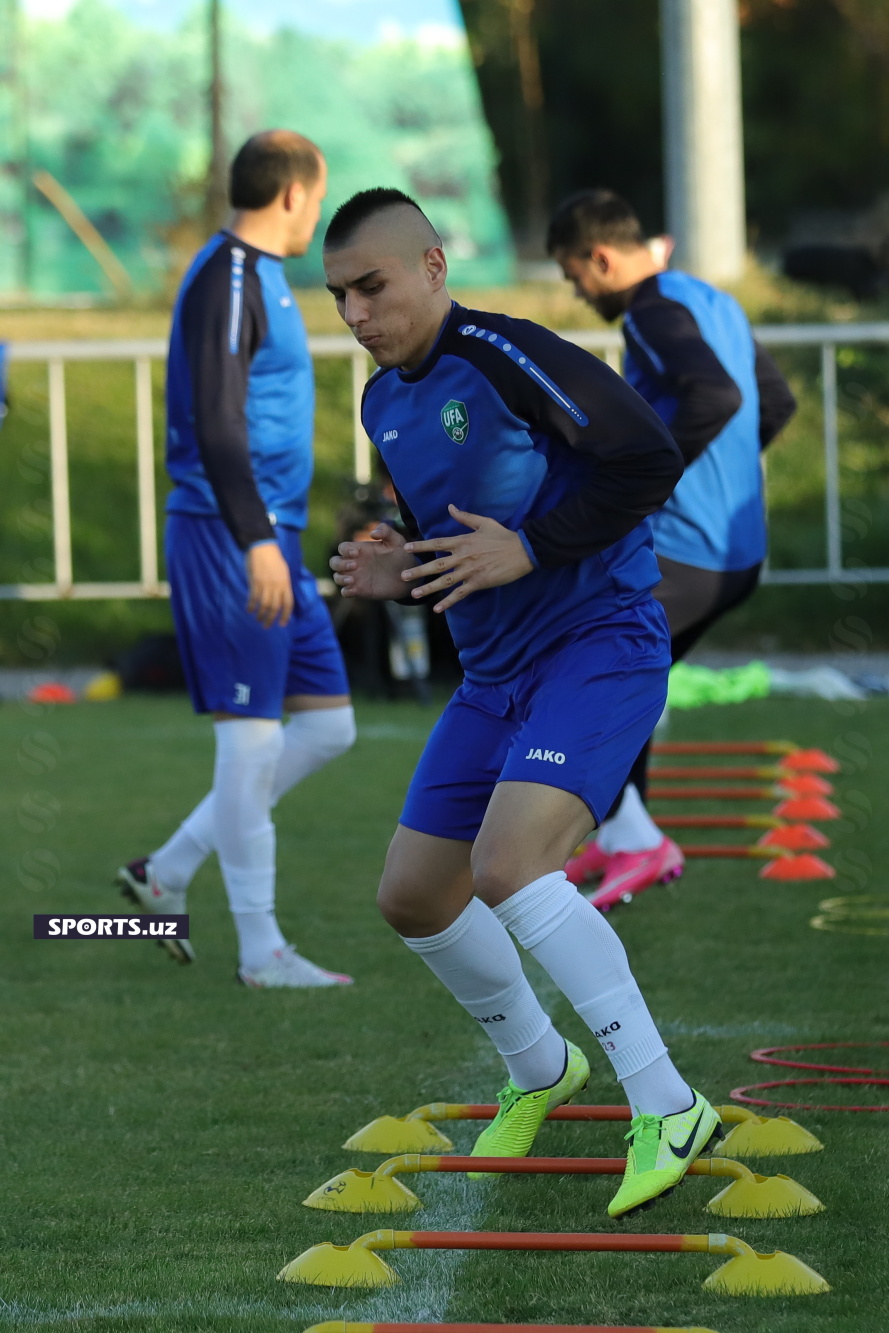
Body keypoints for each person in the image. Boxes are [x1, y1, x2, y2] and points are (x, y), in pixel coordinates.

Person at [325, 187, 721, 1218]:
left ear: (432, 268)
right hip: (492, 676)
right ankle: (540, 1068)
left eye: (372, 285)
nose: (357, 314)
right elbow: (458, 546)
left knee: (509, 867)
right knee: (411, 894)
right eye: (339, 298)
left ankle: (668, 1101)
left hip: (597, 645)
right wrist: (393, 571)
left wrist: (536, 545)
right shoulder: (378, 402)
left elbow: (645, 455)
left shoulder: (507, 353)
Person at [116, 131, 356, 988]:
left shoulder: (265, 277)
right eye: (318, 197)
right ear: (293, 195)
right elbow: (217, 423)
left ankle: (167, 869)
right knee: (252, 742)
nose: (319, 212)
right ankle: (262, 952)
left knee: (329, 724)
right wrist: (256, 537)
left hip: (270, 535)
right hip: (231, 536)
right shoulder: (226, 277)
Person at [547, 190, 797, 903]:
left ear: (599, 258)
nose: (575, 291)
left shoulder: (651, 312)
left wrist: (647, 482)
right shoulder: (708, 298)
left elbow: (713, 397)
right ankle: (622, 837)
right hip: (735, 550)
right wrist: (721, 483)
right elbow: (773, 402)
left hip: (690, 553)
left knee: (580, 666)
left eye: (572, 275)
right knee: (628, 676)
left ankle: (636, 840)